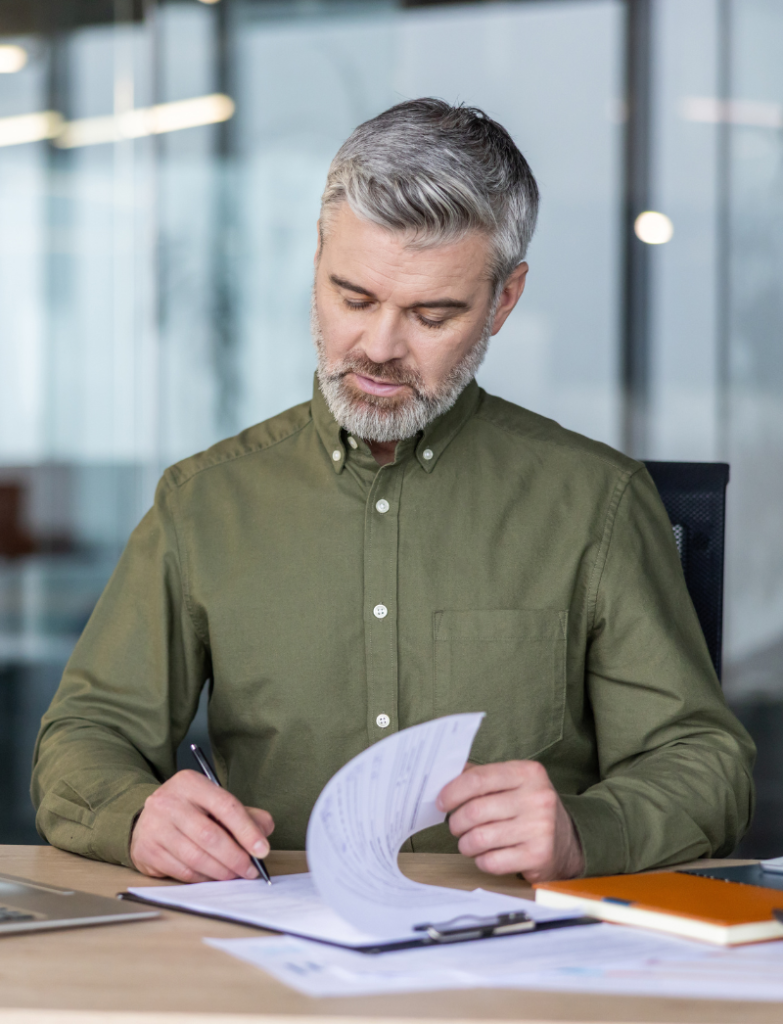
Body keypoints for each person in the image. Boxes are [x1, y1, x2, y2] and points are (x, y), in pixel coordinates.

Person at [32, 99, 755, 886]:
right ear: (317, 260)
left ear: (503, 301)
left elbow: (705, 764)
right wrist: (140, 816)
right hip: (273, 962)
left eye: (431, 314)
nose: (378, 347)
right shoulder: (203, 502)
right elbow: (85, 737)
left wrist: (590, 831)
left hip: (515, 967)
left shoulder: (597, 502)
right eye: (353, 297)